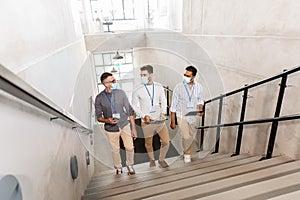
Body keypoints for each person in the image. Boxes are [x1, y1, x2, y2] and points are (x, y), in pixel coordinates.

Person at [95, 72, 137, 175]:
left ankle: (130, 165)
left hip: (124, 124)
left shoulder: (121, 93)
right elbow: (98, 117)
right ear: (105, 84)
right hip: (111, 128)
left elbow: (129, 110)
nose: (115, 82)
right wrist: (107, 120)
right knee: (115, 150)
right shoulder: (99, 98)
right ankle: (118, 167)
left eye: (114, 80)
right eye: (112, 81)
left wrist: (133, 128)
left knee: (130, 147)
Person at [132, 65, 170, 168]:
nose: (142, 77)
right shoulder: (137, 89)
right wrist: (144, 116)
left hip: (159, 120)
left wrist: (163, 112)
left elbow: (164, 100)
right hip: (147, 121)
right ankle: (152, 159)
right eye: (141, 75)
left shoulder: (159, 86)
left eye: (144, 75)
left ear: (151, 74)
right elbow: (134, 106)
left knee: (166, 141)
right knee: (148, 143)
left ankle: (161, 159)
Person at [170, 66, 204, 163]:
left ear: (193, 77)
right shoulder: (178, 87)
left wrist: (200, 109)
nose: (185, 77)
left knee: (190, 136)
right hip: (181, 115)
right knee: (185, 136)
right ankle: (187, 153)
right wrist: (172, 121)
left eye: (188, 75)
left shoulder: (199, 87)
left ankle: (186, 150)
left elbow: (200, 100)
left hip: (193, 115)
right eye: (184, 75)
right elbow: (173, 105)